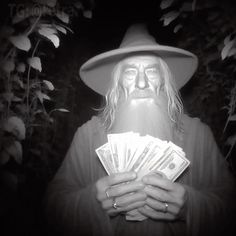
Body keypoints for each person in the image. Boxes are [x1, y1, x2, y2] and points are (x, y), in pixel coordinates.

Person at [44, 24, 236, 236]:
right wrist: (91, 203)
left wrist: (191, 207)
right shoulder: (88, 135)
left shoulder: (198, 134)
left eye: (152, 71)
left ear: (164, 81)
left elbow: (230, 205)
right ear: (117, 84)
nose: (142, 83)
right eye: (130, 72)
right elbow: (52, 206)